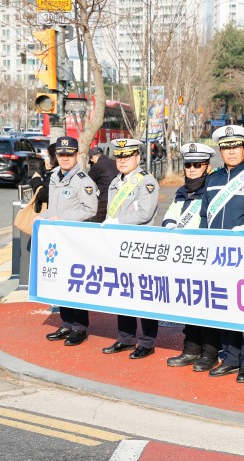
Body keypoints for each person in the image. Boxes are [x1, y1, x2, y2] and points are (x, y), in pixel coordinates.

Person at [200, 124, 244, 383]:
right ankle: (230, 358)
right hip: (217, 255)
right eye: (226, 148)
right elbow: (204, 216)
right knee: (224, 307)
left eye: (235, 147)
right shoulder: (212, 179)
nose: (230, 152)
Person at [100, 138, 161, 359]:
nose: (122, 160)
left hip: (140, 245)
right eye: (119, 156)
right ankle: (125, 338)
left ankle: (147, 342)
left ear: (138, 157)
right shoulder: (116, 182)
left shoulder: (146, 181)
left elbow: (144, 213)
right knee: (123, 292)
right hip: (119, 245)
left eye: (127, 156)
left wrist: (118, 222)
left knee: (144, 295)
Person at [163, 142, 220, 372]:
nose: (193, 169)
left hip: (206, 255)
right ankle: (191, 349)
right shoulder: (181, 191)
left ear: (207, 166)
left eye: (198, 165)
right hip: (184, 256)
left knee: (207, 306)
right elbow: (170, 214)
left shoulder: (213, 189)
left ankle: (210, 353)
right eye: (189, 165)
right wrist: (169, 224)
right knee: (189, 303)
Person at [41, 136, 98, 346]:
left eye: (69, 154)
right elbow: (53, 208)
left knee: (75, 283)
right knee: (60, 282)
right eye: (61, 154)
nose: (65, 158)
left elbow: (90, 209)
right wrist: (43, 218)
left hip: (75, 239)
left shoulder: (83, 180)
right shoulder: (55, 176)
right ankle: (66, 323)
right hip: (56, 240)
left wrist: (63, 218)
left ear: (77, 155)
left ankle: (79, 328)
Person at [87, 146, 119, 223]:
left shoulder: (97, 166)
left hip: (105, 199)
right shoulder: (114, 162)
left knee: (95, 222)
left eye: (91, 160)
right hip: (118, 197)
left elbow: (87, 182)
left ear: (93, 157)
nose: (92, 162)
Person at [29, 142, 57, 213]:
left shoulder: (57, 174)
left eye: (49, 156)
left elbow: (43, 194)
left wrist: (36, 180)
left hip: (52, 214)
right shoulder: (55, 171)